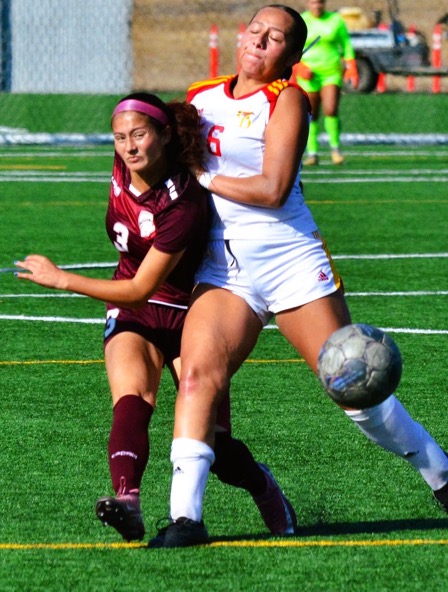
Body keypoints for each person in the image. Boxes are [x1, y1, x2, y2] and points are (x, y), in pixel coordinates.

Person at [147, 4, 448, 549]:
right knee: (196, 380)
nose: (259, 41)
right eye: (255, 29)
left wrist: (201, 175)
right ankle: (185, 519)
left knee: (353, 391)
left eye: (275, 37)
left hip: (291, 263)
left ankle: (439, 473)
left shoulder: (287, 102)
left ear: (291, 55)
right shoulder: (200, 96)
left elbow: (272, 190)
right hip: (224, 269)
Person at [14, 92, 297, 542]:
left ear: (164, 136)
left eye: (140, 135)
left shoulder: (182, 202)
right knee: (132, 399)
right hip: (134, 312)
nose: (128, 147)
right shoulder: (121, 163)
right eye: (120, 137)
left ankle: (264, 487)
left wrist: (62, 279)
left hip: (192, 313)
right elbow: (133, 295)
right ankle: (127, 500)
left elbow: (141, 287)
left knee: (218, 448)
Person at [294, 0, 358, 166]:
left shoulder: (335, 20)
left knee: (330, 109)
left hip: (331, 72)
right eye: (313, 2)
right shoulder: (302, 21)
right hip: (309, 75)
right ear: (308, 3)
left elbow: (346, 45)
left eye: (320, 1)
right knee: (311, 114)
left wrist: (351, 66)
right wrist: (299, 66)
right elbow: (292, 47)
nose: (317, 5)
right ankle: (312, 153)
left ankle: (335, 149)